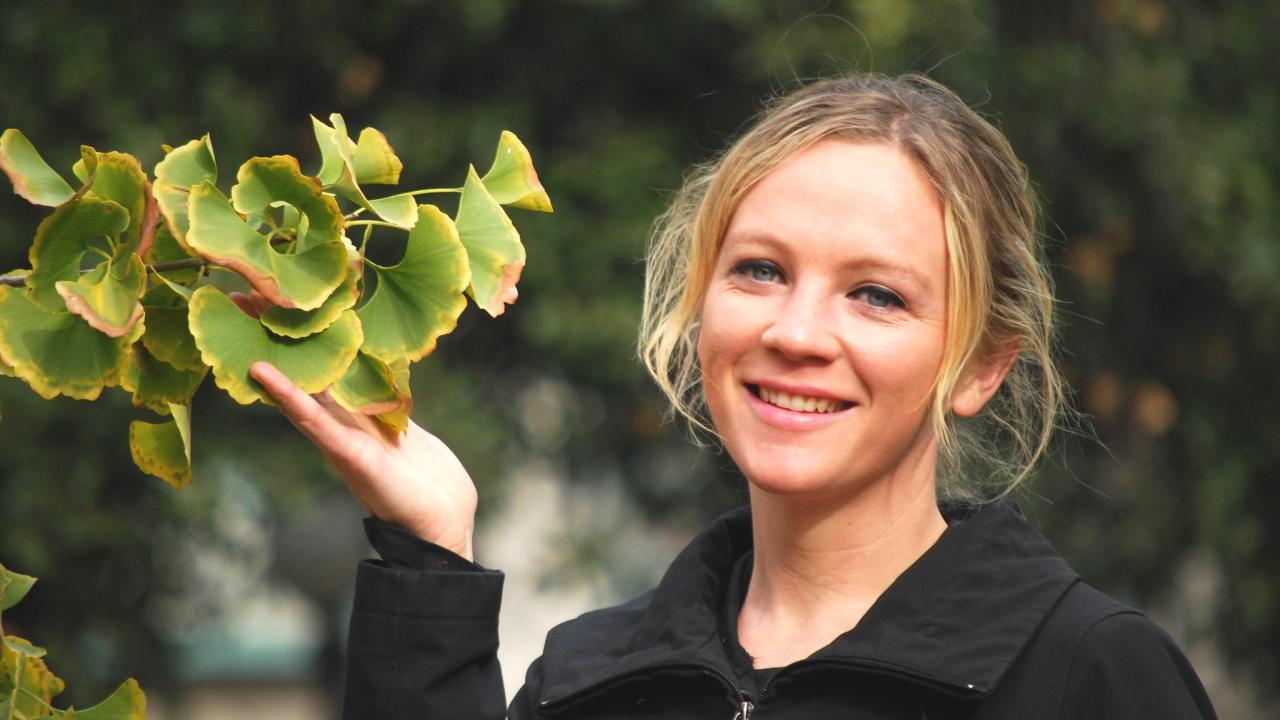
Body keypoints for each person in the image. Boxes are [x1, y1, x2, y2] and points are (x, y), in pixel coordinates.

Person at [249, 73, 1217, 719]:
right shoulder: (589, 678)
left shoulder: (1091, 677)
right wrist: (429, 557)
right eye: (757, 271)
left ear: (978, 366)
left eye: (875, 295)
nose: (794, 333)